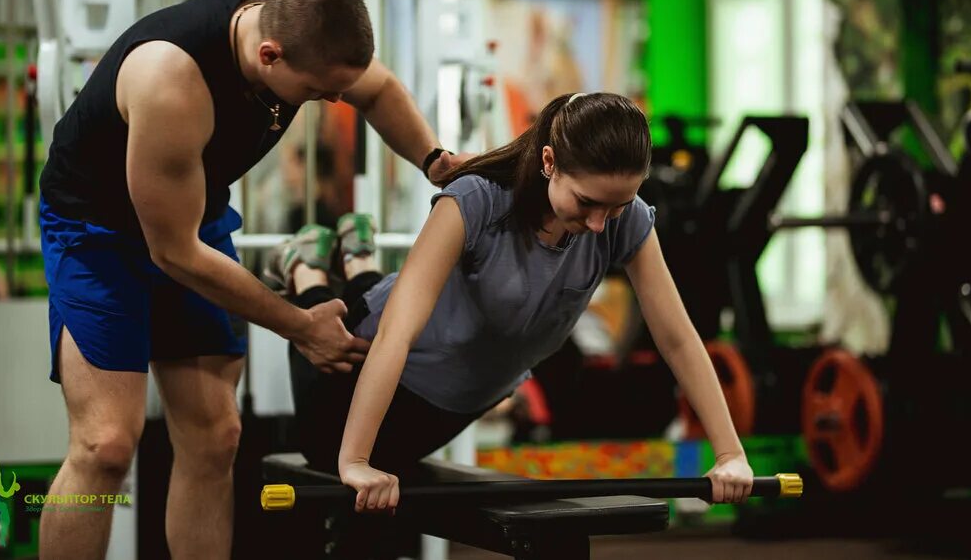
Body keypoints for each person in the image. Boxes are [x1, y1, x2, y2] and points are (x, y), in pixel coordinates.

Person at [36, 0, 464, 560]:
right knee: (105, 445)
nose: (331, 101)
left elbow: (375, 88)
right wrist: (299, 323)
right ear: (269, 55)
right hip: (99, 232)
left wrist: (433, 159)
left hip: (191, 214)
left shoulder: (303, 21)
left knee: (216, 439)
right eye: (317, 92)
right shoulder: (170, 79)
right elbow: (174, 254)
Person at [275, 92, 754, 515]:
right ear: (549, 161)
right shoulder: (475, 200)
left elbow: (677, 337)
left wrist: (731, 452)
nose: (598, 224)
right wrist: (355, 460)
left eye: (616, 206)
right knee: (324, 454)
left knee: (394, 461)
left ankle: (357, 258)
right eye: (586, 202)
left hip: (461, 396)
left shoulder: (624, 222)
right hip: (363, 365)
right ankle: (308, 270)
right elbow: (396, 332)